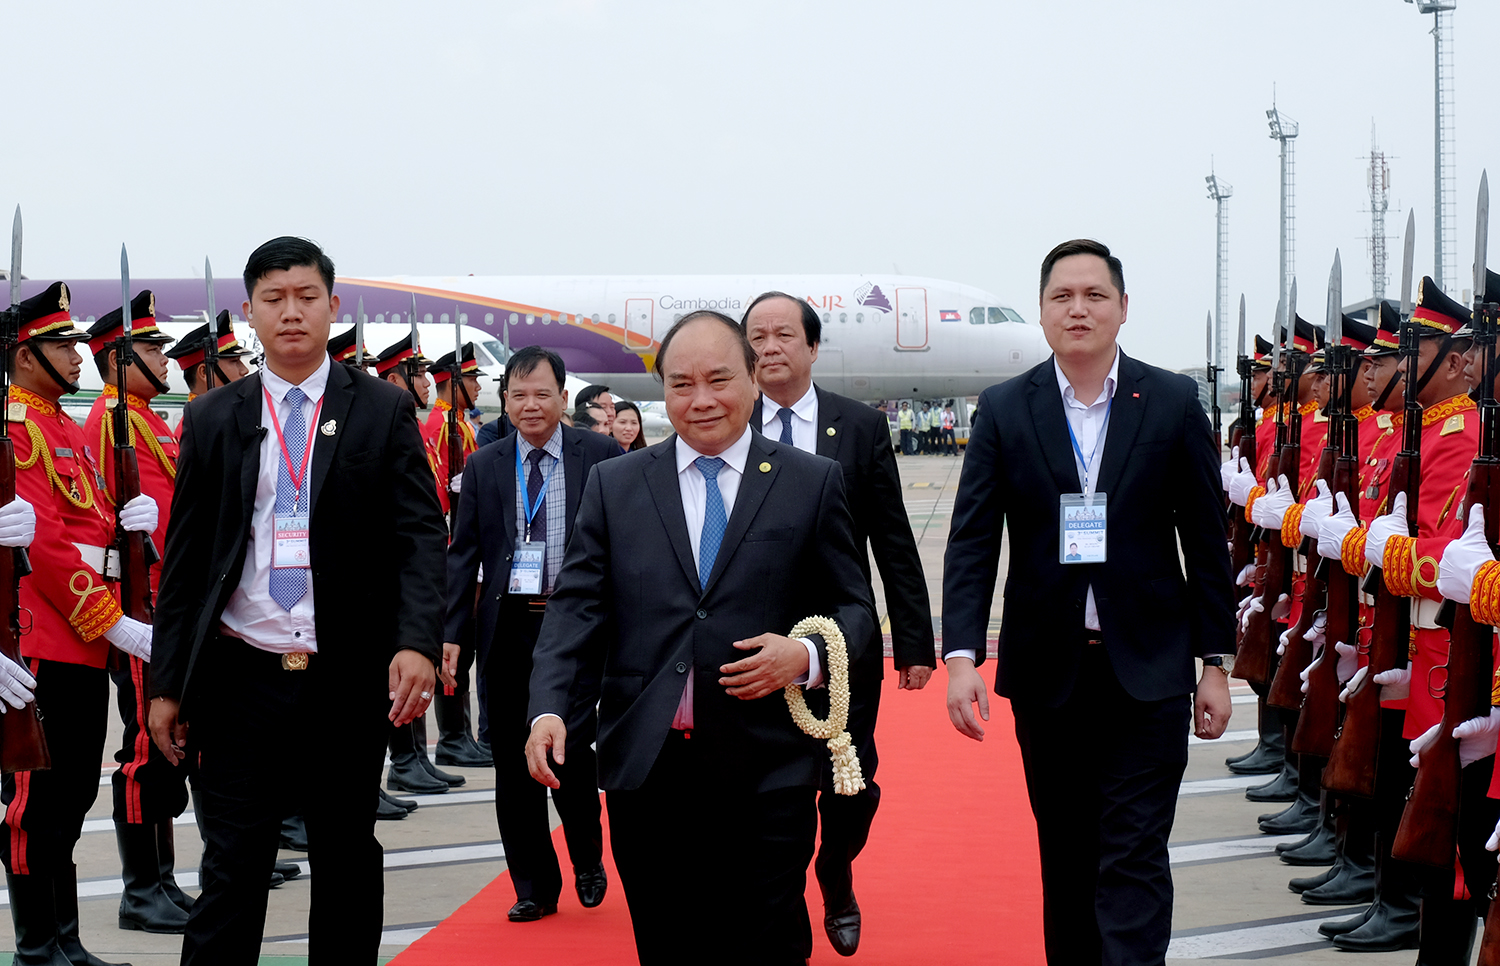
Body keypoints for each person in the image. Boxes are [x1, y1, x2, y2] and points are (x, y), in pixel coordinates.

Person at [524, 310, 876, 966]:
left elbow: (855, 610)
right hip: (649, 772)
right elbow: (575, 610)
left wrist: (804, 655)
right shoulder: (617, 484)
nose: (701, 399)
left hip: (769, 767)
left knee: (767, 945)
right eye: (681, 384)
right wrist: (548, 708)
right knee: (668, 946)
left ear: (753, 379)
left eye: (719, 379)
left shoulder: (810, 481)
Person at [147, 236, 447, 965]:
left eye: (306, 297)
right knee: (232, 864)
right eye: (273, 299)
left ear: (331, 306)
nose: (291, 313)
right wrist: (167, 685)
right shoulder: (213, 416)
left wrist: (415, 642)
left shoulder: (381, 408)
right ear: (249, 312)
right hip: (240, 677)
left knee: (345, 855)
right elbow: (186, 565)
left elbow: (419, 537)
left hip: (344, 674)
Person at [943, 239, 1235, 966]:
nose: (1079, 310)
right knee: (1069, 856)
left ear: (1123, 308)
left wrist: (1216, 662)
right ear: (1042, 311)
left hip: (1149, 672)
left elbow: (1206, 540)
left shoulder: (1171, 401)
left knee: (1134, 854)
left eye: (1095, 295)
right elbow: (973, 540)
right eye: (1062, 297)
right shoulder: (1005, 409)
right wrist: (961, 657)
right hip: (1050, 675)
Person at [741, 291, 934, 956]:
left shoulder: (858, 426)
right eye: (757, 336)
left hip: (844, 636)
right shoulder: (731, 423)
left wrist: (914, 640)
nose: (770, 347)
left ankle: (836, 866)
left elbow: (893, 538)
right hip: (756, 639)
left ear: (813, 346)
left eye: (783, 335)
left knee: (853, 783)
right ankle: (782, 899)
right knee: (773, 785)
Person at [1, 281, 152, 966]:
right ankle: (38, 948)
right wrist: (113, 622)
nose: (77, 355)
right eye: (61, 345)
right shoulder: (19, 427)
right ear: (25, 356)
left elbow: (87, 528)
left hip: (82, 642)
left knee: (70, 798)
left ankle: (65, 940)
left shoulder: (63, 425)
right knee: (36, 804)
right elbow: (50, 548)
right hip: (45, 636)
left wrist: (130, 525)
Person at [442, 345, 618, 923]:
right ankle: (534, 886)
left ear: (563, 398)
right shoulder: (486, 464)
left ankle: (587, 858)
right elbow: (464, 553)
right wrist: (451, 632)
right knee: (512, 764)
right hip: (508, 626)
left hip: (576, 627)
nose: (530, 405)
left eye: (542, 394)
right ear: (505, 400)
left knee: (570, 752)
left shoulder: (600, 456)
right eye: (518, 395)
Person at [82, 293, 196, 934]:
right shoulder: (111, 420)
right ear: (119, 359)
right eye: (151, 350)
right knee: (142, 746)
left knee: (167, 742)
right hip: (140, 605)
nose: (164, 359)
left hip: (168, 601)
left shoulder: (147, 418)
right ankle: (139, 889)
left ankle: (164, 879)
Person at [422, 344, 492, 770]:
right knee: (452, 642)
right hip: (450, 547)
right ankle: (450, 735)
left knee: (464, 644)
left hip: (467, 545)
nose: (478, 386)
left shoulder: (460, 425)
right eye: (471, 379)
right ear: (454, 381)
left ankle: (460, 732)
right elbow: (436, 494)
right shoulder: (438, 426)